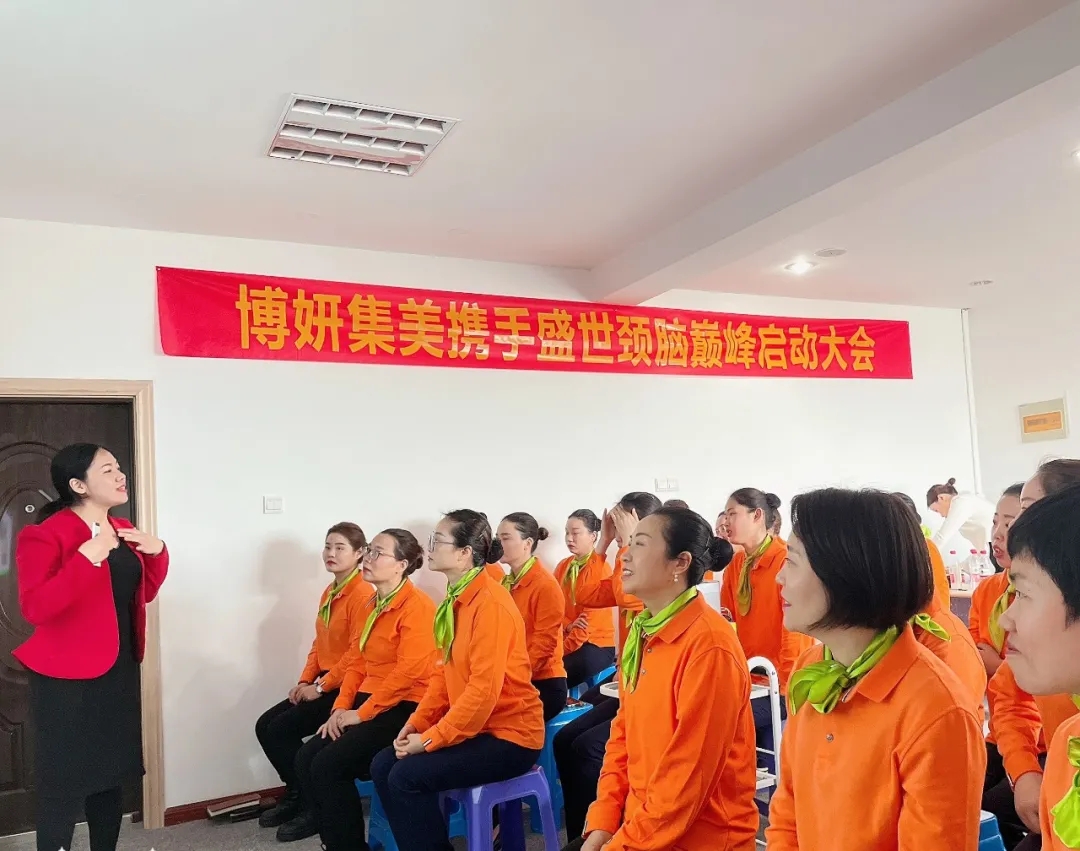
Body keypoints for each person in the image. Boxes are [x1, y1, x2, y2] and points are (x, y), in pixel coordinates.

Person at [766, 488, 984, 850]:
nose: (779, 578)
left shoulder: (935, 709)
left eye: (792, 561)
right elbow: (788, 812)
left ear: (844, 573)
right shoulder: (814, 668)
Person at [564, 506, 751, 850]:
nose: (625, 555)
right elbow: (622, 736)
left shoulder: (710, 646)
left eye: (639, 544)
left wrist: (621, 843)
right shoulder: (645, 630)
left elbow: (686, 781)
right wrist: (602, 824)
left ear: (680, 563)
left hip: (695, 837)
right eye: (628, 543)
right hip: (641, 822)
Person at [14, 443, 168, 851]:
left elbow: (141, 594)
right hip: (64, 677)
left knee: (109, 774)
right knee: (62, 782)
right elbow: (36, 607)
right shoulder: (44, 535)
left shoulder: (124, 529)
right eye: (107, 470)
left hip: (118, 668)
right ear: (78, 485)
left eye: (118, 467)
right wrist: (86, 559)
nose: (120, 475)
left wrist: (157, 552)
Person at [370, 510, 544, 851]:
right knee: (383, 764)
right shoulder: (455, 600)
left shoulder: (490, 604)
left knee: (405, 776)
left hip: (510, 736)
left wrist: (430, 740)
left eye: (438, 541)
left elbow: (482, 693)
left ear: (464, 553)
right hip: (476, 727)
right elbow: (442, 675)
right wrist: (417, 723)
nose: (430, 547)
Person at [288, 529, 436, 850]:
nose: (368, 558)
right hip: (370, 700)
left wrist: (361, 713)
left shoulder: (418, 607)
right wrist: (340, 708)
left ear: (401, 565)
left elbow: (407, 674)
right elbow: (356, 661)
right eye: (369, 550)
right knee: (306, 758)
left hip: (407, 706)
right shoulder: (373, 603)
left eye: (378, 553)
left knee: (328, 766)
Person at [555, 492, 661, 841]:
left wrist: (629, 544)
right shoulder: (622, 558)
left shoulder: (656, 565)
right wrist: (603, 545)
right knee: (566, 739)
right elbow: (587, 593)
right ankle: (581, 835)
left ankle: (603, 832)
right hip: (630, 678)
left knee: (587, 748)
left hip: (649, 686)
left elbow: (630, 596)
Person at [986, 460, 1080, 850]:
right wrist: (1025, 772)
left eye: (1024, 594)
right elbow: (1008, 698)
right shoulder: (1068, 743)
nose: (1006, 619)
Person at [256, 522, 373, 833]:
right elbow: (319, 643)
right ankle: (297, 794)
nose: (331, 553)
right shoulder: (331, 591)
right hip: (325, 679)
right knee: (265, 726)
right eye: (328, 546)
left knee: (280, 730)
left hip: (349, 685)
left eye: (340, 548)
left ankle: (312, 806)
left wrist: (321, 687)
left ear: (359, 553)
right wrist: (305, 680)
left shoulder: (362, 594)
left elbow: (357, 654)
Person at [720, 488, 811, 783]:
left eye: (733, 514)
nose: (726, 522)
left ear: (757, 515)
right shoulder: (737, 565)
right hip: (749, 679)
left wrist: (784, 687)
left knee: (719, 722)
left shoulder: (784, 560)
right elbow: (729, 621)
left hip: (780, 683)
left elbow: (794, 634)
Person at [496, 512, 568, 721]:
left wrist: (513, 678)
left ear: (527, 543)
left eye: (505, 538)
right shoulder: (506, 583)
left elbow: (544, 645)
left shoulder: (545, 585)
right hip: (512, 677)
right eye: (497, 538)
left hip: (542, 682)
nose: (498, 544)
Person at [554, 509, 616, 689]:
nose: (569, 538)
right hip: (566, 637)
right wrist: (568, 626)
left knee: (552, 676)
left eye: (575, 533)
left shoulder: (601, 569)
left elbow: (586, 627)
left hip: (595, 644)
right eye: (567, 532)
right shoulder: (563, 566)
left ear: (593, 536)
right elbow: (553, 608)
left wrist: (560, 651)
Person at [894, 492, 952, 612]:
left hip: (929, 617)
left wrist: (940, 617)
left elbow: (941, 590)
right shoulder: (880, 552)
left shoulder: (927, 547)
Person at [927, 477, 995, 556]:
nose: (941, 515)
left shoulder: (960, 502)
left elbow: (941, 538)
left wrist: (922, 556)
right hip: (994, 547)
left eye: (937, 510)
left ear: (941, 498)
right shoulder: (965, 500)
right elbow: (981, 547)